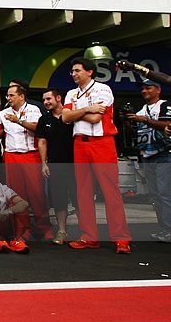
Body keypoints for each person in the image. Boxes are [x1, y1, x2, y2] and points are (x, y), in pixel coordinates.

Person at [61, 57, 132, 253]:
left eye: (77, 70)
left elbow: (95, 117)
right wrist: (85, 108)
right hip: (79, 144)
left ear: (89, 71)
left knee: (110, 191)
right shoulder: (71, 93)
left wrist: (77, 111)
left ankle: (121, 238)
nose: (74, 74)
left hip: (102, 143)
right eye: (72, 71)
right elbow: (65, 117)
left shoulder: (102, 89)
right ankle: (89, 236)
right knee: (83, 192)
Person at [0, 84, 51, 240]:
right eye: (7, 96)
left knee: (36, 194)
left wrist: (18, 120)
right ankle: (23, 230)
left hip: (30, 155)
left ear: (21, 96)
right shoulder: (3, 113)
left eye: (11, 95)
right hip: (11, 156)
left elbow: (37, 128)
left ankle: (44, 228)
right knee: (16, 195)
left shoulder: (34, 110)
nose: (8, 98)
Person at [123, 79, 171, 242]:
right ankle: (164, 228)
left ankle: (169, 229)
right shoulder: (142, 109)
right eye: (142, 88)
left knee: (165, 193)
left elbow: (167, 125)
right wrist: (129, 122)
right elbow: (135, 134)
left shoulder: (164, 105)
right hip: (147, 155)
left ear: (158, 90)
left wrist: (144, 120)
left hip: (165, 154)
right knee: (155, 194)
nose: (144, 91)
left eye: (148, 88)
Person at [35, 88, 75, 244]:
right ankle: (62, 231)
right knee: (59, 199)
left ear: (58, 98)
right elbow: (42, 142)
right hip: (55, 165)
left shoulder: (72, 116)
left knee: (78, 199)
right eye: (44, 100)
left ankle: (87, 232)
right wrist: (44, 163)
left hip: (75, 164)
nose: (46, 102)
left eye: (49, 99)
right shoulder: (44, 119)